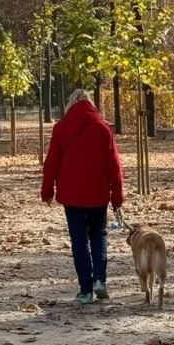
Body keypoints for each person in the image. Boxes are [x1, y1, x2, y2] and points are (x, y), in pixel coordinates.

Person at [41, 88, 124, 305]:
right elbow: (115, 166)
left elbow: (52, 163)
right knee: (98, 236)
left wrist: (47, 191)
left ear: (70, 104)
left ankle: (85, 290)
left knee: (79, 241)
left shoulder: (61, 128)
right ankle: (100, 279)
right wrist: (117, 198)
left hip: (72, 194)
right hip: (98, 192)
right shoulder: (103, 128)